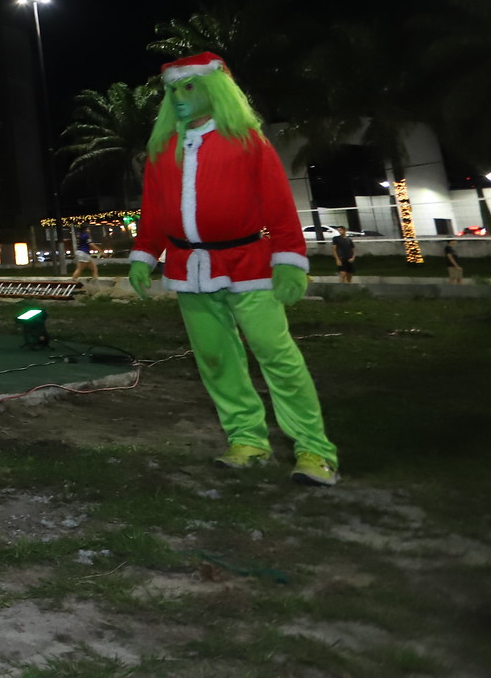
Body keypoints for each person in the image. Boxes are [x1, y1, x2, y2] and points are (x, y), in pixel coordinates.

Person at [127, 52, 339, 487]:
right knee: (215, 360)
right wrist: (144, 254)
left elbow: (280, 205)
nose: (179, 97)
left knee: (276, 356)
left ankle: (315, 450)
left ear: (214, 89)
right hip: (189, 268)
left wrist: (289, 261)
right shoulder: (162, 148)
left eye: (189, 87)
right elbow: (152, 211)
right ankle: (247, 441)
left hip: (249, 265)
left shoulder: (246, 140)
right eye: (173, 90)